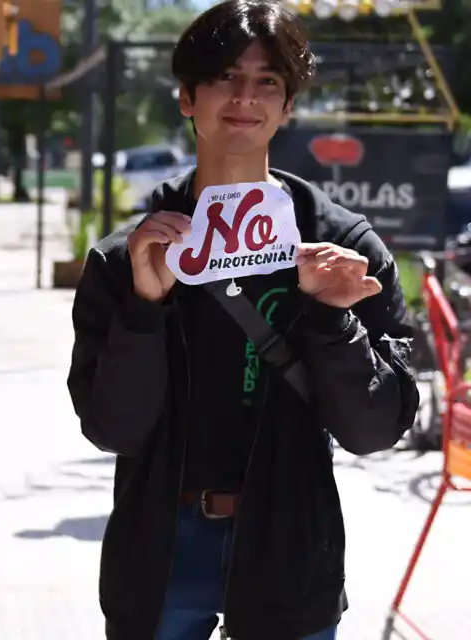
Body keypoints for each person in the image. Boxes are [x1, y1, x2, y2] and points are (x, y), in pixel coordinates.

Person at [67, 2, 419, 639]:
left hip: (290, 544)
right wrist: (145, 309)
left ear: (287, 108)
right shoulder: (130, 255)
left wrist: (334, 320)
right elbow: (112, 427)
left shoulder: (343, 248)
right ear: (186, 97)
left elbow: (373, 429)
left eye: (268, 83)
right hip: (161, 552)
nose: (244, 99)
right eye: (226, 77)